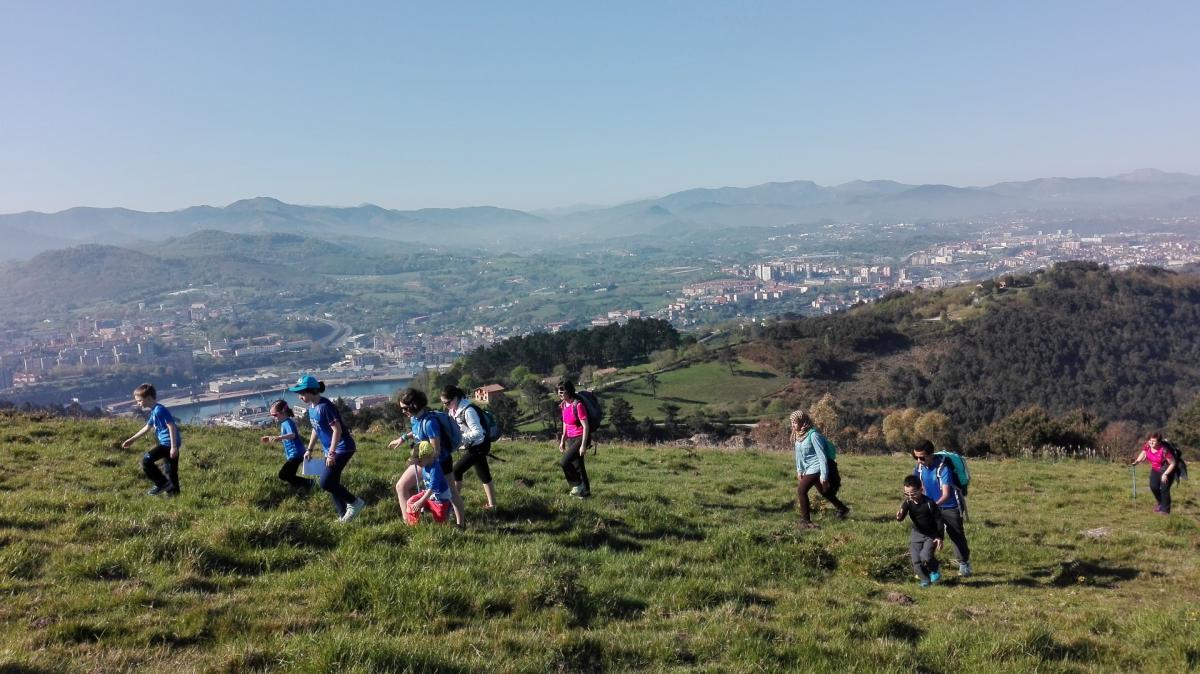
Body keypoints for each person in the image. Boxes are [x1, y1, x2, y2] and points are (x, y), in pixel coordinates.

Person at [289, 375, 365, 523]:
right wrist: (309, 449)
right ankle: (344, 516)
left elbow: (337, 430)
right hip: (330, 450)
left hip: (342, 448)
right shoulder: (312, 408)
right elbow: (316, 428)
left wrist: (331, 454)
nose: (300, 397)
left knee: (325, 483)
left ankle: (355, 503)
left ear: (311, 391)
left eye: (302, 393)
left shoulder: (325, 407)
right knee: (332, 483)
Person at [389, 388, 466, 527]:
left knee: (452, 493)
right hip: (423, 462)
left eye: (405, 408)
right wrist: (403, 438)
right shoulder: (416, 418)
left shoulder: (430, 423)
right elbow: (417, 430)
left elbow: (435, 451)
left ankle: (461, 524)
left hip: (440, 462)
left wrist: (419, 460)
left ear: (414, 405)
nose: (403, 411)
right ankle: (410, 523)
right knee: (401, 486)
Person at [912, 440, 971, 576]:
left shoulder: (943, 468)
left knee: (956, 535)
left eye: (922, 457)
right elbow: (914, 485)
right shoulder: (919, 468)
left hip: (950, 506)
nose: (919, 460)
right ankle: (930, 566)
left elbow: (946, 494)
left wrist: (930, 506)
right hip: (931, 506)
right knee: (927, 536)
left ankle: (964, 563)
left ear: (931, 455)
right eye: (916, 457)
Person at [790, 410, 849, 529]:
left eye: (795, 422)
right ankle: (842, 508)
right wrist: (799, 470)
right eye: (792, 422)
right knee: (825, 492)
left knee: (801, 490)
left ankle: (806, 521)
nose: (793, 425)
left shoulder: (814, 435)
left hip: (817, 467)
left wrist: (824, 475)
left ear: (803, 422)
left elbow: (822, 456)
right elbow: (798, 455)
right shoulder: (798, 435)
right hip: (808, 469)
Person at [121, 383, 182, 497]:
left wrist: (173, 447)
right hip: (168, 444)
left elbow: (171, 426)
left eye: (139, 400)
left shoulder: (160, 410)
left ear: (148, 398)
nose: (138, 404)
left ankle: (161, 483)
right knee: (170, 472)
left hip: (168, 444)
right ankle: (174, 497)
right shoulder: (154, 411)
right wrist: (132, 439)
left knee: (146, 461)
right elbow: (147, 427)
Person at [442, 385, 497, 510]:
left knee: (456, 470)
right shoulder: (453, 410)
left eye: (447, 402)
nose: (446, 406)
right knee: (484, 474)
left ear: (456, 398)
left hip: (480, 445)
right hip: (474, 445)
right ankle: (493, 506)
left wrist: (460, 439)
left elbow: (479, 432)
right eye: (444, 403)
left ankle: (453, 505)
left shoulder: (468, 411)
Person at [896, 474, 944, 588]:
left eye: (913, 493)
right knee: (916, 560)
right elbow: (901, 516)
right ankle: (925, 580)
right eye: (906, 494)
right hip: (916, 534)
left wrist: (939, 537)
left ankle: (935, 569)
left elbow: (939, 520)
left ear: (921, 490)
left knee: (925, 556)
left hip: (930, 535)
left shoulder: (929, 503)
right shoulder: (908, 502)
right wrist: (899, 517)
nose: (910, 496)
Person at [260, 399, 313, 490]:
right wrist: (271, 438)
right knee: (288, 475)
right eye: (272, 416)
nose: (274, 417)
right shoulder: (285, 422)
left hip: (296, 454)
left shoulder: (287, 422)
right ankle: (301, 486)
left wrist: (277, 438)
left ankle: (309, 483)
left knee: (283, 475)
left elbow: (292, 435)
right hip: (296, 454)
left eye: (275, 415)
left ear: (283, 412)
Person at [405, 441, 453, 525]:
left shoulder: (435, 470)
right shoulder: (425, 465)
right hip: (428, 494)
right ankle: (413, 525)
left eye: (419, 461)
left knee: (440, 520)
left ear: (428, 457)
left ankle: (442, 531)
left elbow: (432, 489)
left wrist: (420, 502)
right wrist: (421, 500)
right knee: (411, 502)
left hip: (440, 498)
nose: (417, 464)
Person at [1130, 432, 1179, 514]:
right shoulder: (1148, 445)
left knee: (1164, 489)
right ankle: (1160, 503)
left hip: (1167, 470)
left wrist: (1165, 474)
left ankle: (1165, 511)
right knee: (1153, 487)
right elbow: (1144, 452)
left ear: (1159, 442)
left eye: (1153, 441)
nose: (1151, 442)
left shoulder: (1164, 450)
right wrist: (1137, 461)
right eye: (1150, 440)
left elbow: (1173, 463)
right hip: (1155, 469)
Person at [557, 380, 591, 498]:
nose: (560, 394)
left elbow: (586, 426)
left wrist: (583, 445)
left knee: (564, 462)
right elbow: (566, 423)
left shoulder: (578, 405)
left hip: (580, 438)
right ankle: (585, 494)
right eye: (559, 392)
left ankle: (577, 485)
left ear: (569, 392)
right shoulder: (563, 405)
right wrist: (563, 439)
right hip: (571, 439)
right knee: (578, 467)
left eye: (562, 392)